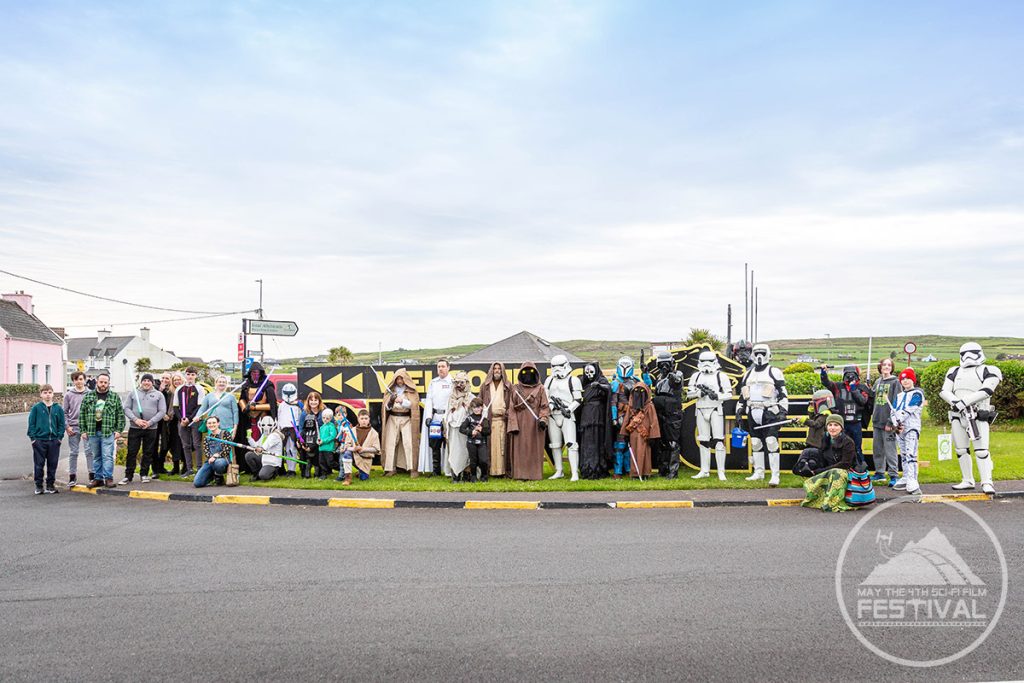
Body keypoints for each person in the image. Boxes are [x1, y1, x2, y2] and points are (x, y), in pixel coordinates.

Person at [940, 342, 1003, 493]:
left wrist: (964, 402)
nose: (969, 356)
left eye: (972, 352)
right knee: (961, 449)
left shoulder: (989, 370)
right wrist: (956, 402)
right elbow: (944, 391)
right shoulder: (954, 371)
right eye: (965, 353)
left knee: (981, 450)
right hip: (957, 414)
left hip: (977, 415)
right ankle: (967, 479)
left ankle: (987, 481)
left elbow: (987, 390)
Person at [737, 344, 788, 486]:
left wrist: (783, 411)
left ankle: (774, 475)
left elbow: (783, 393)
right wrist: (739, 410)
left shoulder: (774, 372)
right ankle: (759, 472)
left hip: (769, 410)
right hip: (752, 410)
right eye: (757, 352)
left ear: (768, 354)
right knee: (755, 442)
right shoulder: (748, 374)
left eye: (762, 353)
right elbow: (742, 395)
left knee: (771, 442)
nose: (759, 356)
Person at [685, 351, 733, 480]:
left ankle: (720, 471)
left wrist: (717, 395)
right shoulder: (696, 376)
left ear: (715, 362)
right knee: (703, 440)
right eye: (703, 361)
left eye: (709, 361)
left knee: (718, 440)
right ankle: (704, 470)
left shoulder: (721, 376)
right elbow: (688, 394)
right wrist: (699, 394)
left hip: (715, 408)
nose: (706, 364)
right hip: (700, 408)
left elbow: (729, 394)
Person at [801, 415, 860, 512]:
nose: (832, 428)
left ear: (841, 427)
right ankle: (821, 498)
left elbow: (845, 464)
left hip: (847, 474)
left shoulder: (848, 442)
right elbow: (823, 459)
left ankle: (832, 503)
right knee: (809, 481)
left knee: (836, 473)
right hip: (830, 471)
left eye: (836, 425)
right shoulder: (825, 438)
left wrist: (820, 471)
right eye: (830, 425)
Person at [819, 364, 870, 469]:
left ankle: (860, 469)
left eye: (852, 375)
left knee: (857, 447)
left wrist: (853, 389)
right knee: (839, 446)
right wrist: (823, 372)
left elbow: (863, 401)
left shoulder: (862, 388)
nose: (850, 377)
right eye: (848, 375)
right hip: (841, 423)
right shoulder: (837, 386)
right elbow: (826, 383)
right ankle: (840, 468)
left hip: (856, 422)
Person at [80, 373, 125, 489]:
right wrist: (83, 430)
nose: (103, 384)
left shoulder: (114, 397)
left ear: (109, 383)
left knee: (107, 456)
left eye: (105, 382)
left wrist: (119, 430)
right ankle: (98, 478)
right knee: (96, 456)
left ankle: (108, 478)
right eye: (101, 382)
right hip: (92, 431)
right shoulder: (88, 396)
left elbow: (120, 414)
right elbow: (82, 414)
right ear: (97, 382)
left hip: (108, 431)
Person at [120, 373, 167, 484]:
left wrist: (150, 422)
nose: (146, 382)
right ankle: (128, 475)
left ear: (152, 382)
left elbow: (162, 411)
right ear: (141, 382)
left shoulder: (158, 395)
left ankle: (144, 474)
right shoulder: (133, 393)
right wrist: (136, 420)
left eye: (148, 381)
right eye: (144, 380)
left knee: (148, 452)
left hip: (151, 428)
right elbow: (126, 408)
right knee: (132, 451)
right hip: (135, 427)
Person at [507, 362, 551, 480]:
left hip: (535, 424)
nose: (528, 374)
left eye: (531, 372)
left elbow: (544, 406)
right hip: (520, 424)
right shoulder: (515, 389)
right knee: (520, 450)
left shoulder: (540, 389)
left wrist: (543, 419)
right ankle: (520, 474)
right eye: (525, 372)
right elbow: (511, 407)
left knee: (534, 449)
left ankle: (534, 474)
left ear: (535, 373)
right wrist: (513, 425)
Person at [544, 355, 583, 481]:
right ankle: (559, 470)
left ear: (565, 365)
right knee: (555, 445)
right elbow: (546, 397)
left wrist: (568, 409)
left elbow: (577, 399)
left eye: (560, 366)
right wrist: (550, 405)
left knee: (571, 444)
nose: (557, 369)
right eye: (554, 366)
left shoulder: (574, 380)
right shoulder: (549, 380)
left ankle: (574, 473)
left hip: (567, 415)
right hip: (553, 416)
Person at [236, 362, 276, 474]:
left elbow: (272, 405)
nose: (255, 375)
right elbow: (241, 400)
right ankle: (249, 467)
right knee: (249, 441)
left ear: (261, 373)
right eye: (253, 372)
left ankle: (265, 466)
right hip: (249, 420)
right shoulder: (246, 385)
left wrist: (255, 406)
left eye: (257, 373)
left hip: (263, 420)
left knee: (263, 442)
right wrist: (245, 407)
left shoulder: (267, 386)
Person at [380, 368, 421, 477]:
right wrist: (392, 400)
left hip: (406, 419)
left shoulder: (411, 391)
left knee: (409, 443)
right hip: (393, 418)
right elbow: (387, 408)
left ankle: (412, 468)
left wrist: (402, 401)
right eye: (397, 379)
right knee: (391, 442)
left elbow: (413, 405)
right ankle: (390, 468)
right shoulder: (390, 391)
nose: (399, 381)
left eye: (401, 378)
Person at [890, 368, 924, 495]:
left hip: (911, 428)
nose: (905, 381)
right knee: (903, 454)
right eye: (903, 379)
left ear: (913, 380)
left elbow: (910, 408)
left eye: (908, 378)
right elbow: (893, 410)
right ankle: (905, 476)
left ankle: (912, 479)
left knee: (911, 454)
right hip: (900, 429)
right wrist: (895, 422)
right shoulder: (899, 396)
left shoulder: (917, 394)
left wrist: (899, 418)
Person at [652, 351, 685, 479]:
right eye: (661, 364)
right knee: (662, 442)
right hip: (660, 411)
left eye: (666, 364)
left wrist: (671, 374)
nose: (663, 367)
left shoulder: (677, 374)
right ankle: (663, 469)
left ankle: (673, 471)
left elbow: (676, 382)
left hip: (672, 412)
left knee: (673, 443)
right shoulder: (659, 377)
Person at [27, 384, 66, 495]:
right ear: (41, 394)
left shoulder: (58, 408)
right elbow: (31, 424)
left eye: (49, 392)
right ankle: (39, 486)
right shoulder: (36, 408)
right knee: (39, 464)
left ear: (53, 394)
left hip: (54, 441)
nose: (47, 395)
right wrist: (33, 438)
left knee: (52, 464)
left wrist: (59, 437)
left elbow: (61, 424)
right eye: (45, 392)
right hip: (39, 440)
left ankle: (50, 485)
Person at [578, 363, 613, 479]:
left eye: (591, 372)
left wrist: (599, 386)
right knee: (586, 441)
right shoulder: (582, 381)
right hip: (586, 415)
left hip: (598, 415)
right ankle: (587, 468)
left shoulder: (602, 380)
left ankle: (598, 468)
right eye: (587, 373)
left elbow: (609, 389)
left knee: (598, 440)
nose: (589, 375)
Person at [618, 383, 661, 478]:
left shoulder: (649, 406)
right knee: (634, 452)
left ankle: (645, 473)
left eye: (642, 391)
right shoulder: (631, 406)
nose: (639, 394)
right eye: (636, 391)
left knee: (645, 453)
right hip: (633, 433)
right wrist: (624, 434)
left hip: (645, 435)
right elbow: (626, 420)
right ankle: (634, 473)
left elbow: (654, 421)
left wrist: (653, 436)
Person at [420, 359, 454, 476]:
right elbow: (429, 400)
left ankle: (450, 470)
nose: (441, 369)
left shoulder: (453, 382)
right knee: (435, 445)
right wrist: (429, 416)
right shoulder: (433, 383)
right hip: (435, 418)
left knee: (449, 444)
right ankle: (436, 471)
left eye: (443, 366)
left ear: (448, 368)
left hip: (448, 418)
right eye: (439, 366)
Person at [479, 362, 512, 477]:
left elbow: (512, 403)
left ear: (502, 370)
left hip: (503, 421)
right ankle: (490, 471)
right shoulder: (485, 386)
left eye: (499, 369)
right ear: (491, 371)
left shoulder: (508, 386)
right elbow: (480, 401)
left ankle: (503, 471)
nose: (497, 371)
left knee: (503, 447)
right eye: (495, 369)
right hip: (490, 421)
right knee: (490, 447)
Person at [871, 358, 901, 485]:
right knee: (878, 449)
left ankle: (894, 475)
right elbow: (872, 397)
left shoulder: (896, 382)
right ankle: (879, 473)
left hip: (889, 423)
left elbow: (897, 402)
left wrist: (891, 422)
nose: (887, 367)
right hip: (877, 420)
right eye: (884, 364)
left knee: (890, 449)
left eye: (889, 365)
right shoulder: (878, 381)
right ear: (880, 367)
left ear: (892, 367)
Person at [792, 390, 835, 476]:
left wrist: (804, 420)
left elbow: (816, 424)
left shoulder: (825, 415)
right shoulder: (820, 414)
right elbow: (813, 418)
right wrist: (811, 409)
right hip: (814, 441)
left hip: (819, 442)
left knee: (816, 460)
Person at [63, 370, 92, 487]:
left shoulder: (91, 394)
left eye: (81, 379)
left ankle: (92, 475)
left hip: (87, 428)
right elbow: (64, 412)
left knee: (89, 452)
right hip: (73, 427)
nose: (79, 382)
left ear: (84, 380)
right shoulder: (68, 395)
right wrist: (67, 426)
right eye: (76, 379)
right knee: (73, 452)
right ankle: (72, 476)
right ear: (73, 381)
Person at [176, 367, 206, 478]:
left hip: (195, 420)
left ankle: (199, 468)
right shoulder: (179, 389)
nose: (190, 376)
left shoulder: (199, 389)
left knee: (197, 444)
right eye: (188, 374)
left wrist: (190, 418)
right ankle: (189, 469)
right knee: (186, 445)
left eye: (192, 374)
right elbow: (175, 406)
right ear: (185, 375)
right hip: (182, 421)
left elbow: (200, 406)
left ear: (196, 376)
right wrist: (181, 419)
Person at [445, 371, 474, 482]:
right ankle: (455, 475)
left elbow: (477, 412)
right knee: (453, 452)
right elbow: (447, 413)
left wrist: (467, 407)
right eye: (457, 383)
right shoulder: (451, 397)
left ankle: (466, 474)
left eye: (461, 383)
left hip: (465, 431)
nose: (459, 385)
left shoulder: (470, 397)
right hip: (453, 429)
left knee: (465, 452)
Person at [340, 409, 380, 485]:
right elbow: (346, 447)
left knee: (363, 478)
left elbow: (376, 449)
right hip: (354, 455)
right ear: (358, 419)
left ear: (369, 419)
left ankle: (361, 472)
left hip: (365, 460)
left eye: (366, 418)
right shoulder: (352, 430)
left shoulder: (374, 433)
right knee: (347, 454)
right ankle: (347, 478)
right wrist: (354, 448)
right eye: (362, 419)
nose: (364, 421)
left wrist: (363, 449)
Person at [193, 416, 231, 488]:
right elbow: (206, 452)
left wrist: (215, 456)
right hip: (210, 461)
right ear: (207, 425)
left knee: (218, 463)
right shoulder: (207, 438)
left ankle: (218, 476)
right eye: (209, 423)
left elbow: (227, 450)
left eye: (214, 423)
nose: (211, 425)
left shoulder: (225, 433)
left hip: (223, 460)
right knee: (197, 483)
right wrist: (211, 457)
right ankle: (210, 477)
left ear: (218, 423)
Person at [460, 398, 491, 482]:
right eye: (474, 407)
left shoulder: (484, 419)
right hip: (471, 443)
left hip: (482, 443)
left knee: (483, 460)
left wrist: (482, 430)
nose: (476, 409)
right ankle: (473, 476)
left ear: (481, 408)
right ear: (471, 408)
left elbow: (488, 432)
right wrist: (471, 432)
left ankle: (484, 476)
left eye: (478, 407)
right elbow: (461, 429)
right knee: (473, 461)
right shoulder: (469, 418)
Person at [245, 415, 283, 481]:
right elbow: (256, 446)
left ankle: (273, 473)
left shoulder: (275, 435)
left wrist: (261, 448)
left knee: (263, 476)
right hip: (264, 459)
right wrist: (249, 438)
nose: (266, 427)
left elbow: (265, 446)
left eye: (268, 425)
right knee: (249, 455)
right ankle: (256, 474)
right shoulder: (264, 436)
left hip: (272, 463)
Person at [277, 383, 303, 477]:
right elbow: (279, 417)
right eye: (286, 393)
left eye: (290, 393)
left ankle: (292, 470)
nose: (288, 395)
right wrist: (278, 429)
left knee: (292, 449)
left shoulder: (298, 405)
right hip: (283, 430)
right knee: (283, 450)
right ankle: (283, 469)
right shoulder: (282, 405)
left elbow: (301, 417)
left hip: (294, 430)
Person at [152, 372, 175, 477]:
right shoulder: (155, 387)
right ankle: (155, 470)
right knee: (154, 445)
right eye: (163, 377)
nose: (165, 380)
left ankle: (160, 466)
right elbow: (153, 403)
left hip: (167, 422)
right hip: (156, 420)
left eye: (167, 378)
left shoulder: (170, 390)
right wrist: (159, 390)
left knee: (165, 445)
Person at [298, 391, 324, 478]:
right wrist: (300, 441)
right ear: (308, 401)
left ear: (319, 401)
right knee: (306, 456)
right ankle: (305, 471)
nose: (313, 402)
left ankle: (319, 472)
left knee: (318, 457)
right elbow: (301, 428)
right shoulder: (304, 413)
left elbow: (331, 424)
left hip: (320, 439)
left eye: (315, 400)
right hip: (307, 438)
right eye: (311, 400)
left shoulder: (323, 412)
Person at [167, 372, 188, 475]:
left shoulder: (186, 390)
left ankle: (185, 466)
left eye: (178, 380)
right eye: (175, 380)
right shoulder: (170, 392)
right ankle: (175, 467)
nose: (177, 382)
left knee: (184, 443)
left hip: (182, 420)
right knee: (174, 445)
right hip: (172, 420)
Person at [316, 407, 338, 479]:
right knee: (322, 462)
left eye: (327, 418)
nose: (325, 419)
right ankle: (324, 474)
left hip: (328, 448)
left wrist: (324, 441)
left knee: (330, 462)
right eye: (323, 418)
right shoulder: (321, 427)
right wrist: (318, 440)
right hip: (321, 448)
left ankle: (341, 469)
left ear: (331, 418)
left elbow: (332, 436)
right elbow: (319, 436)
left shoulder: (331, 426)